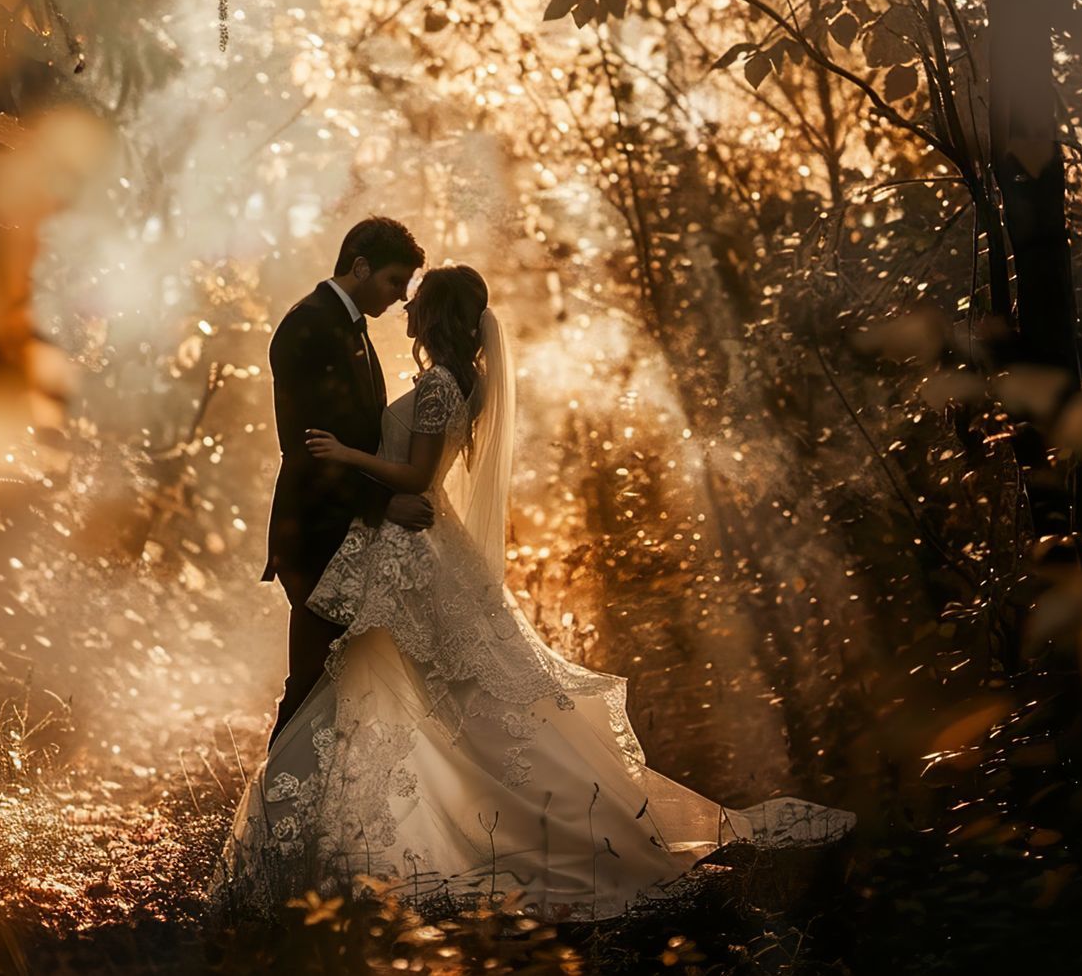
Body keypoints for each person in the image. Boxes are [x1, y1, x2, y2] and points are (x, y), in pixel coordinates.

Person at [221, 263, 854, 919]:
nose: (404, 308)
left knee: (445, 702)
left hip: (414, 553)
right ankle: (356, 841)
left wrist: (348, 458)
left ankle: (415, 840)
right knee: (397, 693)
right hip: (407, 550)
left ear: (431, 316)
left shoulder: (440, 385)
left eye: (416, 301)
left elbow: (416, 474)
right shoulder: (454, 380)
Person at [262, 216, 436, 749]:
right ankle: (274, 817)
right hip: (315, 526)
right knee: (311, 682)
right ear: (359, 266)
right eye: (393, 281)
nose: (400, 297)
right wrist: (385, 504)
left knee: (338, 685)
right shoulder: (310, 325)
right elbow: (309, 446)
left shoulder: (349, 325)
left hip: (344, 526)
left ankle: (315, 811)